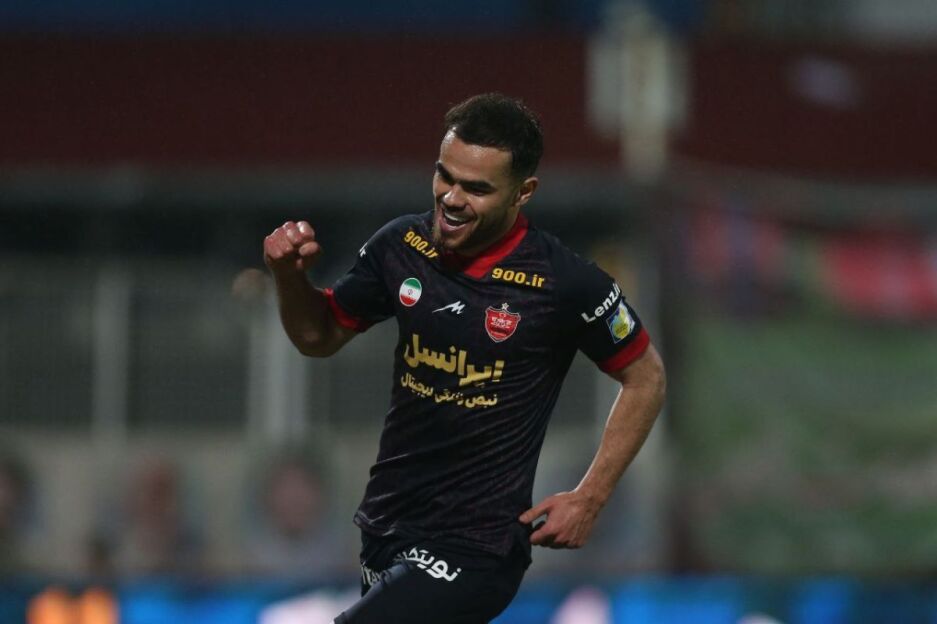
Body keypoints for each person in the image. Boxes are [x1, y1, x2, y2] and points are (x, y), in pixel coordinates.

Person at [263, 93, 666, 623]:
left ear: (523, 192)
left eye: (476, 188)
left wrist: (590, 496)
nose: (451, 198)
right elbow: (318, 336)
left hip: (478, 547)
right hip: (387, 525)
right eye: (444, 176)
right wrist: (289, 278)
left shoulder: (565, 282)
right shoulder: (401, 246)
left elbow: (645, 377)